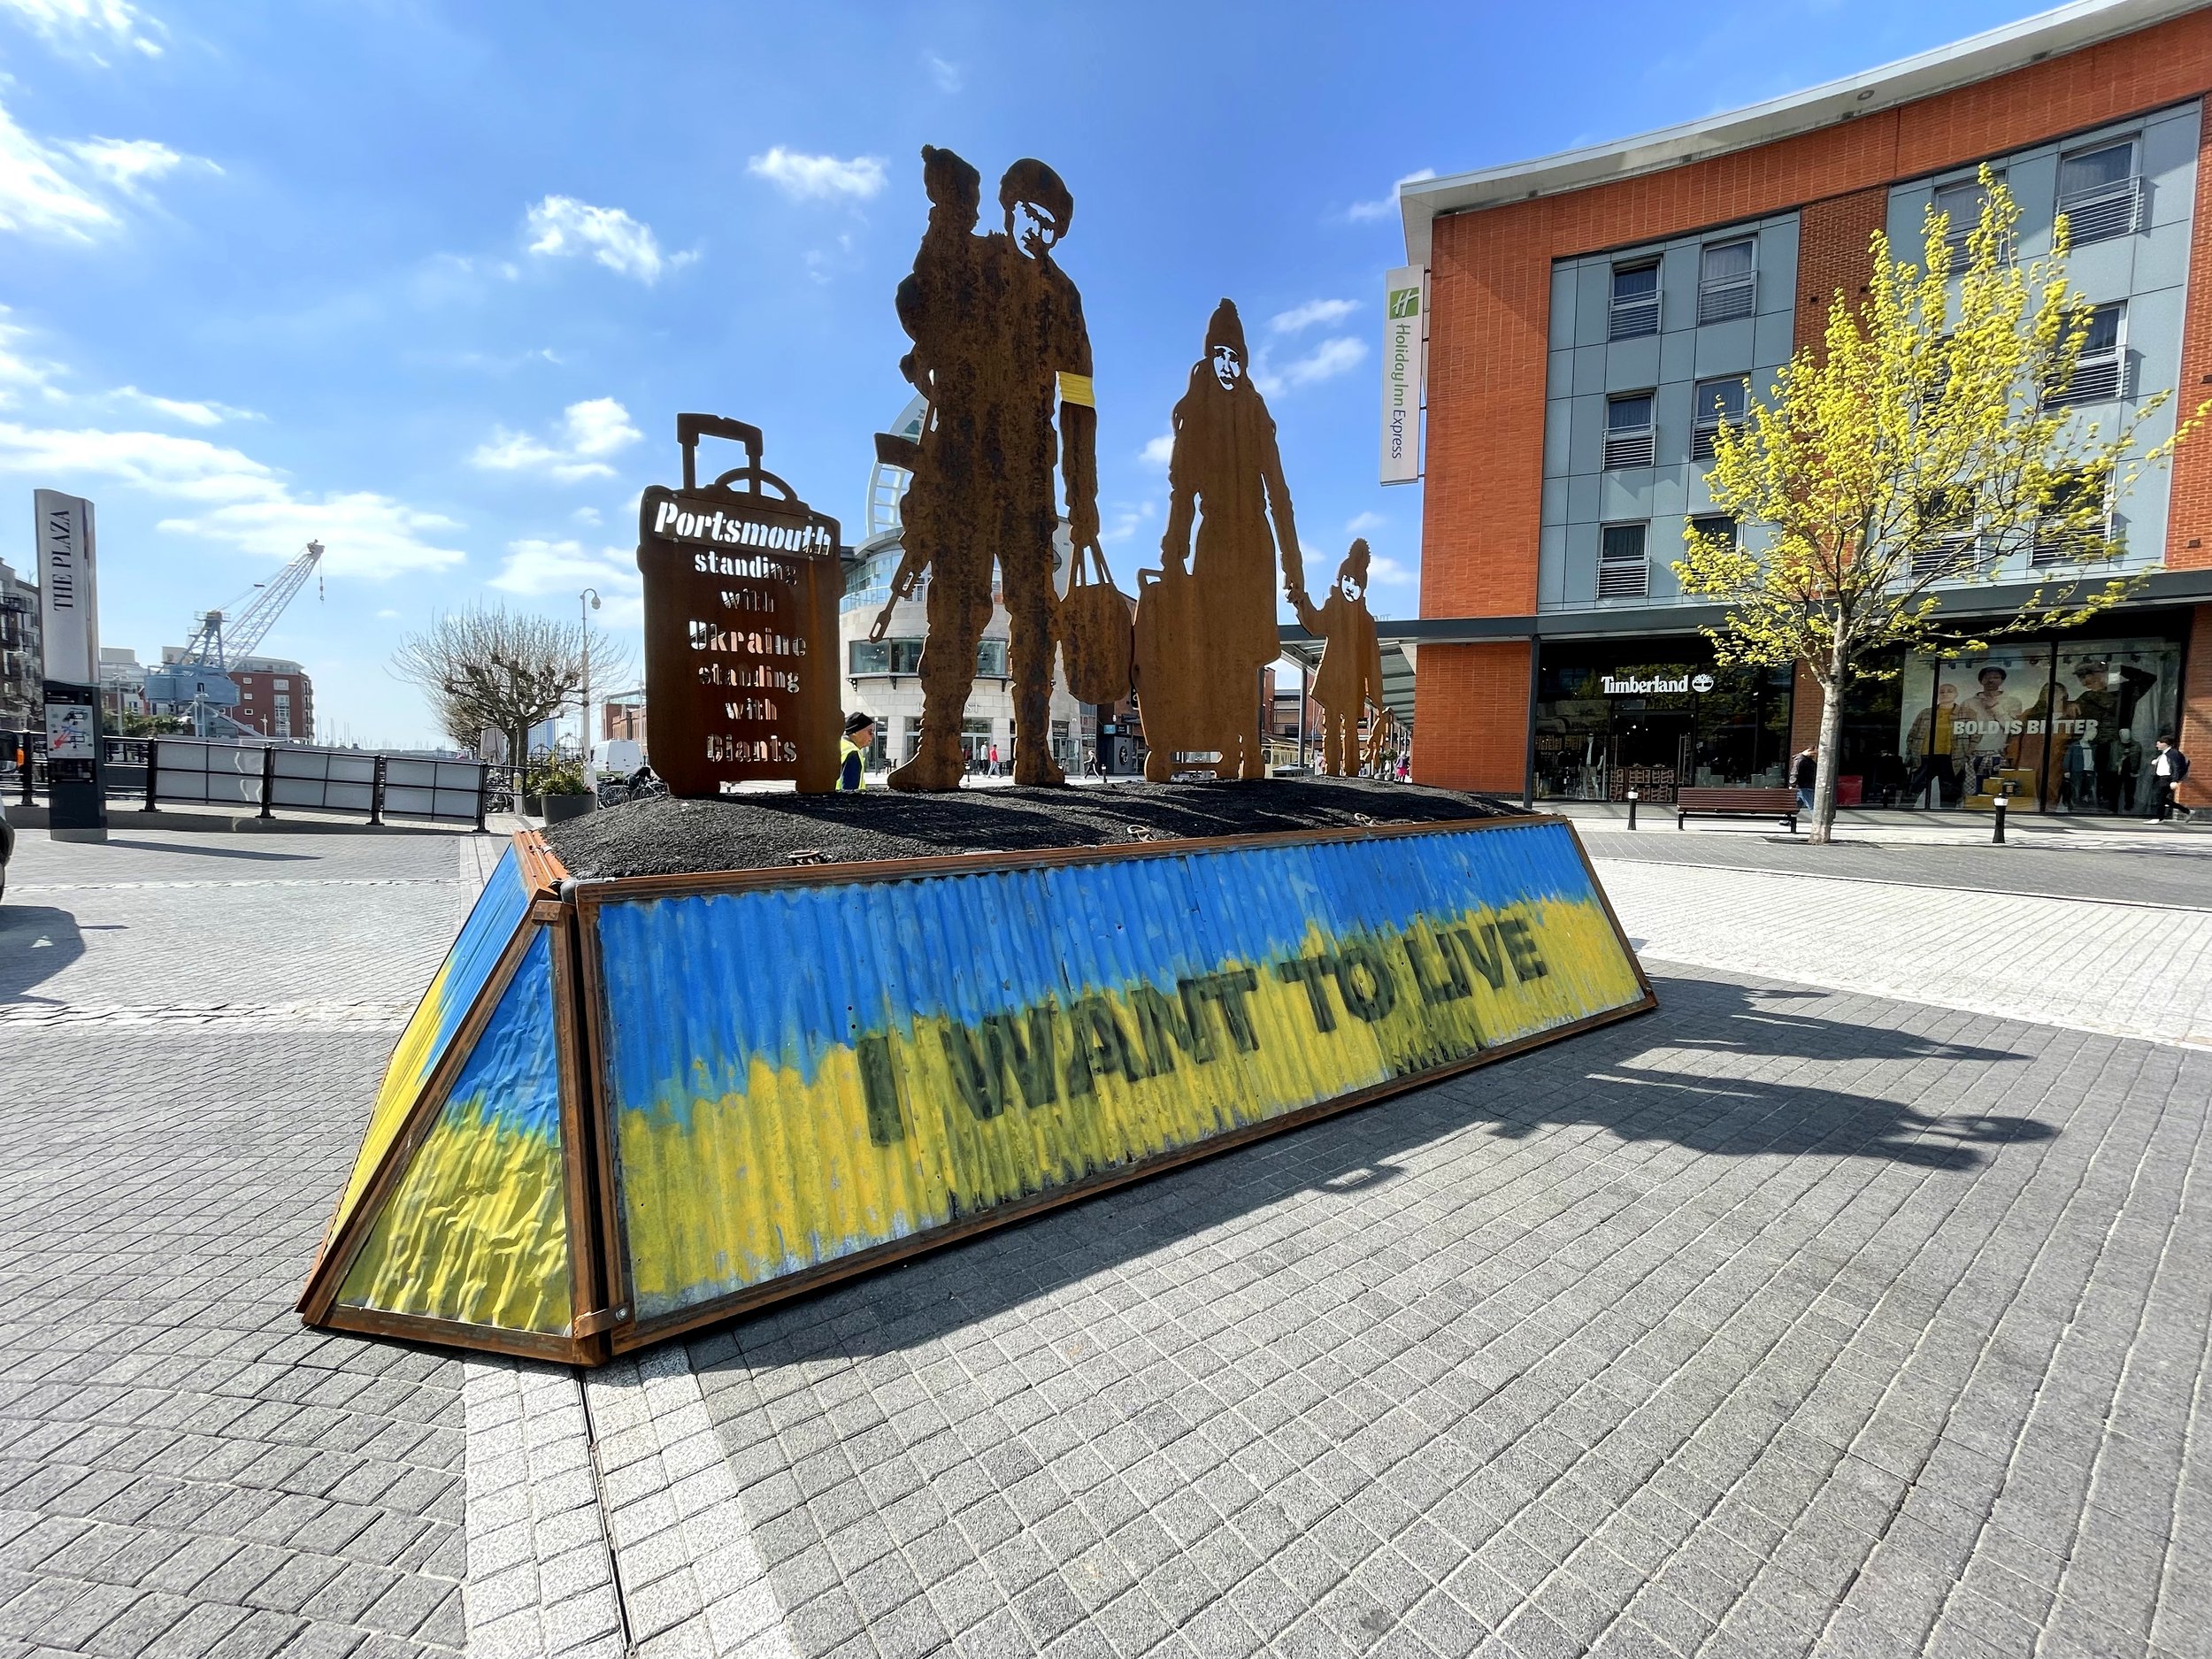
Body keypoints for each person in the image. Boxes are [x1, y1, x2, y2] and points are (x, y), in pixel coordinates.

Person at [888, 152, 1096, 792]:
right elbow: (918, 301)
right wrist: (946, 213)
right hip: (965, 464)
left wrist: (1082, 494)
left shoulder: (1063, 298)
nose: (1040, 233)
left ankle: (1035, 752)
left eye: (1053, 227)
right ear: (1008, 206)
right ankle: (939, 748)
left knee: (1037, 613)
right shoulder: (969, 257)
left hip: (1030, 475)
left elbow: (1079, 402)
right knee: (956, 603)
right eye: (1033, 216)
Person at [1153, 298, 1304, 781]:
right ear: (1208, 356)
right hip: (1215, 539)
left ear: (1244, 361)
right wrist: (1173, 552)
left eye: (1234, 356)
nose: (1226, 365)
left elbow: (1279, 493)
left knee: (1247, 653)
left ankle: (1249, 750)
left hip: (1255, 543)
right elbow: (1182, 491)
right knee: (1217, 647)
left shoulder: (1257, 412)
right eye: (1218, 354)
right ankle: (1226, 748)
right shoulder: (1196, 412)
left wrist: (1293, 565)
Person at [1294, 540, 1384, 778]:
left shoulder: (1366, 621)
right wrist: (1302, 601)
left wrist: (1376, 693)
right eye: (1347, 580)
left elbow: (1372, 658)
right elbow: (1315, 623)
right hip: (1333, 676)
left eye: (1356, 583)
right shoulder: (1333, 607)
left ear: (1362, 588)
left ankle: (1351, 767)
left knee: (1351, 727)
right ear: (1340, 580)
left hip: (1353, 681)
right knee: (1331, 723)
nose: (1350, 586)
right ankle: (1332, 768)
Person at [1904, 681, 1962, 809]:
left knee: (1949, 791)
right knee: (1914, 788)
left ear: (1956, 694)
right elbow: (1913, 734)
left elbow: (1974, 736)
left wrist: (1966, 754)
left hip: (1950, 757)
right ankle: (1903, 811)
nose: (1945, 694)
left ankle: (1948, 814)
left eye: (1950, 691)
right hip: (1925, 755)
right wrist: (1913, 751)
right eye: (1942, 692)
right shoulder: (1926, 713)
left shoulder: (1964, 713)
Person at [2149, 731, 2191, 823]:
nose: (2157, 746)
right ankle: (2187, 811)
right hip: (2161, 778)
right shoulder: (2165, 753)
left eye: (2159, 743)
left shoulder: (2173, 753)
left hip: (2167, 778)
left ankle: (2159, 818)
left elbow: (2176, 767)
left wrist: (2174, 780)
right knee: (2162, 799)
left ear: (2165, 743)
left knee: (2159, 797)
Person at [839, 712, 875, 792]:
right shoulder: (852, 753)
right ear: (855, 732)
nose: (873, 736)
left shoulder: (838, 745)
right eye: (870, 732)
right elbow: (849, 792)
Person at [1792, 746, 1817, 817]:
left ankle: (1784, 820)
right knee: (1812, 805)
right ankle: (1818, 819)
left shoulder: (1808, 760)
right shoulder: (1800, 759)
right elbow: (1795, 772)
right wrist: (1792, 784)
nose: (1814, 755)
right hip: (1805, 786)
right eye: (1813, 753)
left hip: (1804, 786)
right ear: (1809, 751)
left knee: (1796, 805)